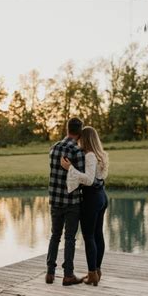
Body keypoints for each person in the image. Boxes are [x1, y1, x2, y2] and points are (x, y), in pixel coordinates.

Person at [61, 126, 109, 286]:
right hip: (102, 196)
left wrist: (70, 169)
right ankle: (97, 270)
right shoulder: (102, 155)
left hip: (92, 199)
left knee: (89, 236)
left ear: (85, 138)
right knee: (98, 235)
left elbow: (88, 180)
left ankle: (92, 274)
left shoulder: (89, 155)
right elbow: (98, 178)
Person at [46, 117, 87, 286]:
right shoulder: (77, 152)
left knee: (55, 236)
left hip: (55, 200)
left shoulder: (53, 148)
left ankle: (50, 273)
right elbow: (82, 177)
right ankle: (68, 274)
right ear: (80, 132)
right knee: (70, 238)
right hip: (72, 201)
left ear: (67, 129)